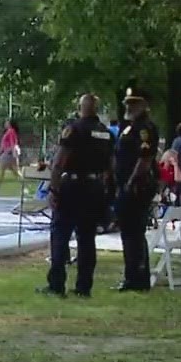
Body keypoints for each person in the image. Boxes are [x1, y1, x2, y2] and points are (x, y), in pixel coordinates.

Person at [44, 93, 113, 297]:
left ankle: (56, 284)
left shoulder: (73, 129)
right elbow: (111, 166)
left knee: (60, 234)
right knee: (87, 238)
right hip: (94, 187)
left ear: (80, 108)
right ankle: (84, 287)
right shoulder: (106, 133)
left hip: (72, 186)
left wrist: (53, 189)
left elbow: (59, 162)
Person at [113, 89, 162, 292]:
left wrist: (131, 182)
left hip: (137, 186)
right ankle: (132, 275)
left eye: (133, 103)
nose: (129, 107)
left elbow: (145, 158)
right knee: (129, 231)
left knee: (134, 231)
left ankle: (137, 278)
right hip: (127, 183)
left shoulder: (145, 128)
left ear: (143, 105)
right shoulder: (130, 127)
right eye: (127, 103)